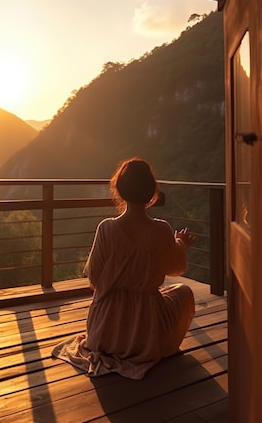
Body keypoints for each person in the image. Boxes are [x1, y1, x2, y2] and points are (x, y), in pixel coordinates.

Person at [52, 157, 196, 379]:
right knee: (183, 292)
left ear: (120, 189)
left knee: (165, 293)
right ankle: (154, 344)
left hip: (105, 330)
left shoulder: (106, 229)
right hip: (145, 330)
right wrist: (180, 244)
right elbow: (175, 268)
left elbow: (95, 280)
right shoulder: (161, 230)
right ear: (151, 192)